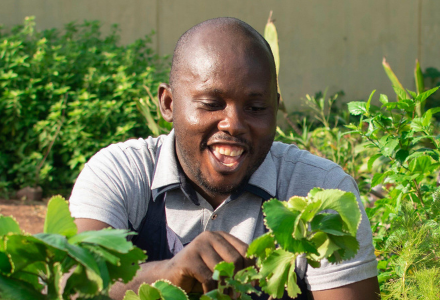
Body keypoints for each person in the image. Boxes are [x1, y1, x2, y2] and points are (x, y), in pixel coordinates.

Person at [67, 17, 379, 299]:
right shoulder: (121, 172)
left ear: (276, 108)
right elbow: (75, 282)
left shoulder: (319, 189)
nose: (234, 124)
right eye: (211, 103)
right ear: (168, 103)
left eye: (256, 108)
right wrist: (170, 273)